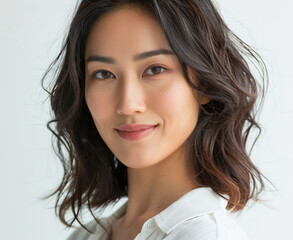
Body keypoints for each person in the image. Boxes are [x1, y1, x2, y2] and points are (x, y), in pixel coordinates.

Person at [40, 0, 273, 239]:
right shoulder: (83, 236)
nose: (128, 105)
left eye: (155, 69)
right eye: (103, 74)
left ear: (204, 83)